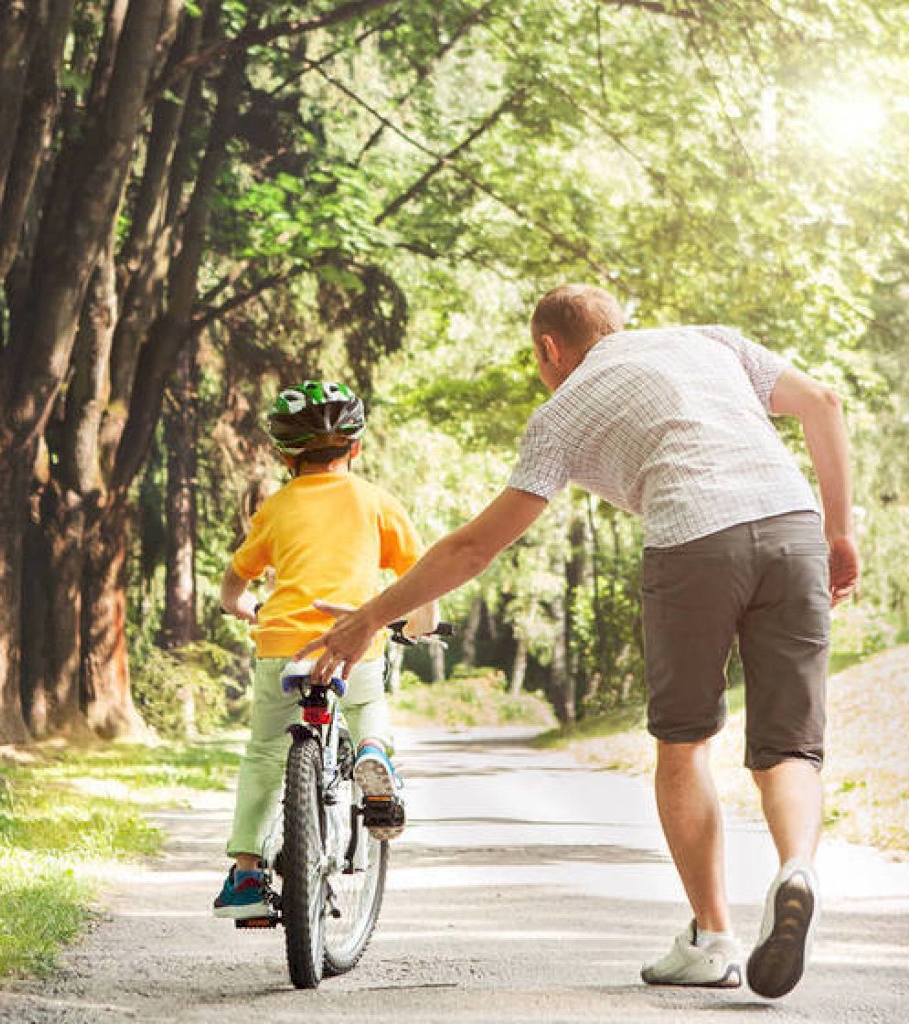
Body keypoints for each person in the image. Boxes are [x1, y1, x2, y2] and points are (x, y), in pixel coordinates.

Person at [297, 286, 860, 999]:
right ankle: (796, 867)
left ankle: (713, 938)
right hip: (791, 526)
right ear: (616, 327)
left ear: (548, 349)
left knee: (684, 744)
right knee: (789, 748)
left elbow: (473, 549)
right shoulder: (709, 339)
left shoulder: (562, 411)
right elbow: (824, 404)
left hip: (692, 542)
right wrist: (839, 532)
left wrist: (370, 615)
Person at [212, 379, 438, 920]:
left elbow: (236, 577)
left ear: (286, 454)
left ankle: (246, 877)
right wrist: (420, 624)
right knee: (365, 706)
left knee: (267, 752)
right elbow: (421, 576)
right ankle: (373, 755)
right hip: (353, 643)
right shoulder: (377, 502)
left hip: (284, 648)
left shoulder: (276, 507)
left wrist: (236, 605)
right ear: (355, 448)